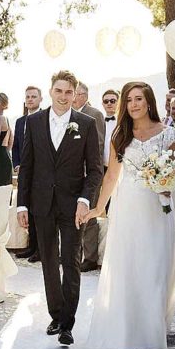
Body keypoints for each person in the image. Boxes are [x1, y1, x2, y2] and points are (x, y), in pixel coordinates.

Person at [83, 82, 175, 349]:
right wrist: (99, 208)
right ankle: (131, 334)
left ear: (149, 101)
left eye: (139, 98)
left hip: (156, 208)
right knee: (129, 268)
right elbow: (112, 176)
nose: (134, 104)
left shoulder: (169, 133)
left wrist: (164, 182)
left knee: (154, 267)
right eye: (129, 100)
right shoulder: (120, 136)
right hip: (127, 208)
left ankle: (151, 332)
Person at [16, 70, 103, 346]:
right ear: (51, 91)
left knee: (71, 261)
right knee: (49, 262)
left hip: (73, 206)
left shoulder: (86, 124)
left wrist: (85, 200)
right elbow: (27, 166)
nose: (64, 97)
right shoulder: (34, 122)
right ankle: (56, 315)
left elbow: (95, 170)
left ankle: (67, 323)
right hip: (42, 204)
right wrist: (21, 204)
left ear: (75, 94)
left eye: (69, 92)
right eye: (59, 91)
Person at [72, 82, 106, 271]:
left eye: (75, 94)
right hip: (72, 173)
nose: (72, 97)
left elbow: (98, 145)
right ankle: (75, 254)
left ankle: (90, 257)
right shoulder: (69, 114)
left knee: (89, 215)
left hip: (90, 172)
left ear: (84, 95)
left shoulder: (95, 114)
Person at [12, 85, 42, 261]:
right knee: (27, 209)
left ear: (40, 99)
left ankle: (40, 249)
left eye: (33, 96)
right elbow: (15, 146)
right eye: (28, 97)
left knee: (39, 209)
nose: (30, 99)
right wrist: (17, 164)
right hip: (23, 172)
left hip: (39, 172)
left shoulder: (43, 119)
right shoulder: (19, 121)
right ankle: (31, 247)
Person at [100, 89, 120, 169]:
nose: (109, 103)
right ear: (102, 104)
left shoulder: (124, 123)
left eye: (112, 101)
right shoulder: (98, 122)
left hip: (119, 167)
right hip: (102, 168)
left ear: (119, 102)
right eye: (106, 101)